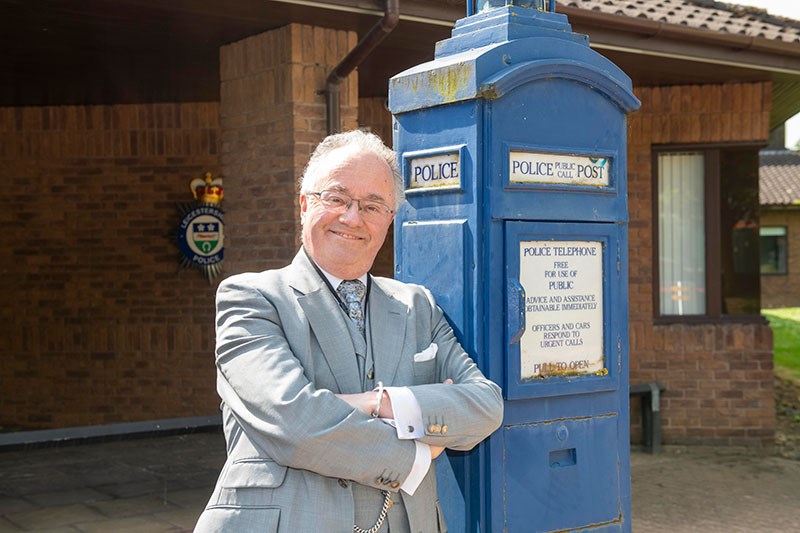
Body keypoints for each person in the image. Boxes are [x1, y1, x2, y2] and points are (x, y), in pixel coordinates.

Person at [195, 130, 503, 533]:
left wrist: (381, 403)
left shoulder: (417, 305)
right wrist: (416, 452)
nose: (352, 218)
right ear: (305, 204)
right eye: (336, 198)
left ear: (389, 220)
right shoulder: (252, 298)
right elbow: (295, 422)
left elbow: (485, 406)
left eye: (372, 206)